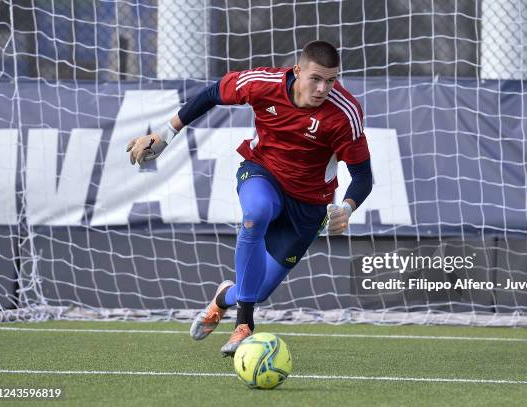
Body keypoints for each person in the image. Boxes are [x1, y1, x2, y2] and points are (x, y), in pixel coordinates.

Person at [127, 41, 373, 356]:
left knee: (257, 291)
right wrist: (163, 134)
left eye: (331, 80)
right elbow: (212, 93)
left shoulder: (344, 113)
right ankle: (244, 326)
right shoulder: (262, 84)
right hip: (263, 173)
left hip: (310, 205)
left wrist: (347, 208)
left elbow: (363, 177)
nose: (323, 88)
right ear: (297, 71)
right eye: (316, 78)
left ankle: (223, 299)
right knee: (254, 214)